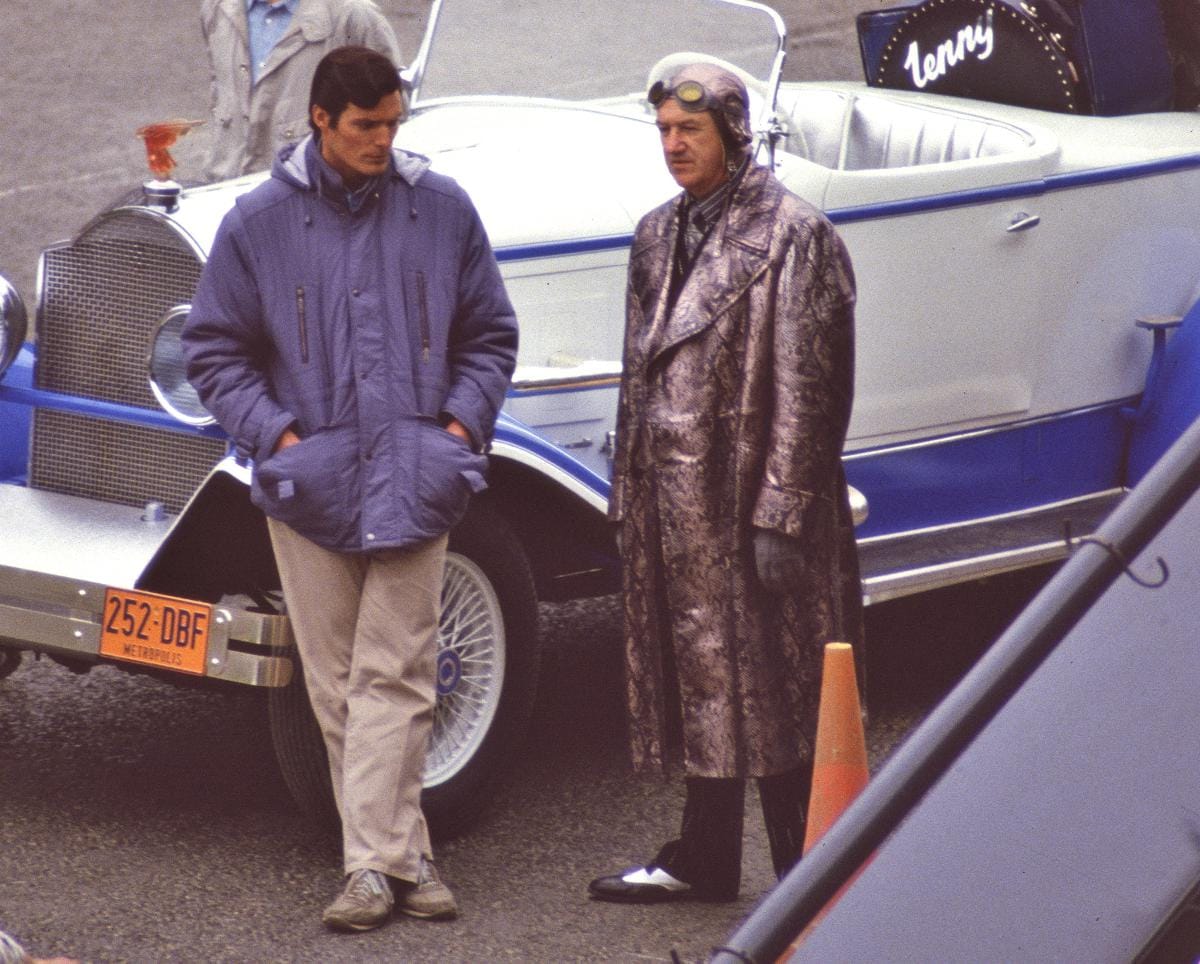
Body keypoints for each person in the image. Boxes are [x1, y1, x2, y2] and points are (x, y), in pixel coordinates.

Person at [182, 45, 518, 931]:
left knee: (394, 674)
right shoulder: (257, 224)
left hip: (417, 479)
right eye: (367, 125)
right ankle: (409, 857)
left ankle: (369, 870)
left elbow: (490, 334)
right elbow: (213, 350)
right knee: (335, 687)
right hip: (310, 486)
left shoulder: (439, 208)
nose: (383, 140)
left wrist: (454, 435)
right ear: (321, 121)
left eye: (393, 124)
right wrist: (278, 439)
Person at [588, 62, 863, 904]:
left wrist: (783, 513)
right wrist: (626, 494)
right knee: (704, 683)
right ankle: (703, 856)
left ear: (735, 136)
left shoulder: (794, 235)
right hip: (676, 505)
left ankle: (802, 881)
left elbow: (814, 390)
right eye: (665, 131)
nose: (674, 146)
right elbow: (639, 375)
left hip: (752, 507)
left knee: (773, 693)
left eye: (691, 131)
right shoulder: (654, 232)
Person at [200, 0, 401, 181]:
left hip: (312, 200)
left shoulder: (354, 16)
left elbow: (391, 110)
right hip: (223, 190)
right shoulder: (218, 6)